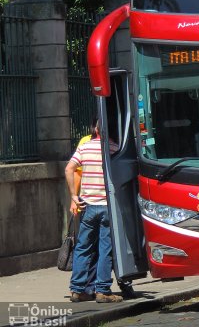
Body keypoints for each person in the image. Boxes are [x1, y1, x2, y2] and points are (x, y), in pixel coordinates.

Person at [65, 121, 123, 303]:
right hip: (107, 206)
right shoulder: (114, 148)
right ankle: (102, 290)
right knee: (105, 249)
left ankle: (77, 290)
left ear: (96, 129)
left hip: (88, 206)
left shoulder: (84, 147)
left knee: (83, 247)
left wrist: (74, 196)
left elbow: (69, 168)